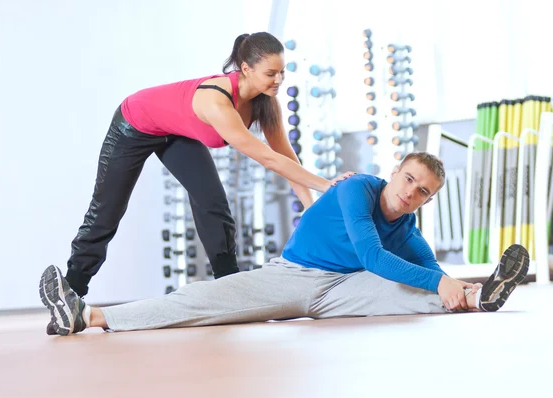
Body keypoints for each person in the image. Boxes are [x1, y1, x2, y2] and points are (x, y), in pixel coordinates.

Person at [40, 152, 530, 336]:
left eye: (423, 192)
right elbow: (370, 256)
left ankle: (480, 298)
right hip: (294, 276)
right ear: (395, 172)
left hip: (342, 290)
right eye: (408, 179)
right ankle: (85, 315)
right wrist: (440, 279)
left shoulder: (408, 227)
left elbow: (425, 265)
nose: (411, 193)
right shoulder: (357, 188)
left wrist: (453, 285)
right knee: (203, 300)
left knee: (420, 293)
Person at [60, 31, 353, 301]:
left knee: (212, 202)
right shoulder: (217, 101)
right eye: (270, 73)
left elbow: (286, 157)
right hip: (134, 124)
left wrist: (311, 206)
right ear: (246, 69)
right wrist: (327, 184)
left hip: (175, 133)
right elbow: (267, 158)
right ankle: (71, 291)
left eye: (282, 72)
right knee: (107, 210)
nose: (278, 80)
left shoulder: (266, 103)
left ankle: (229, 289)